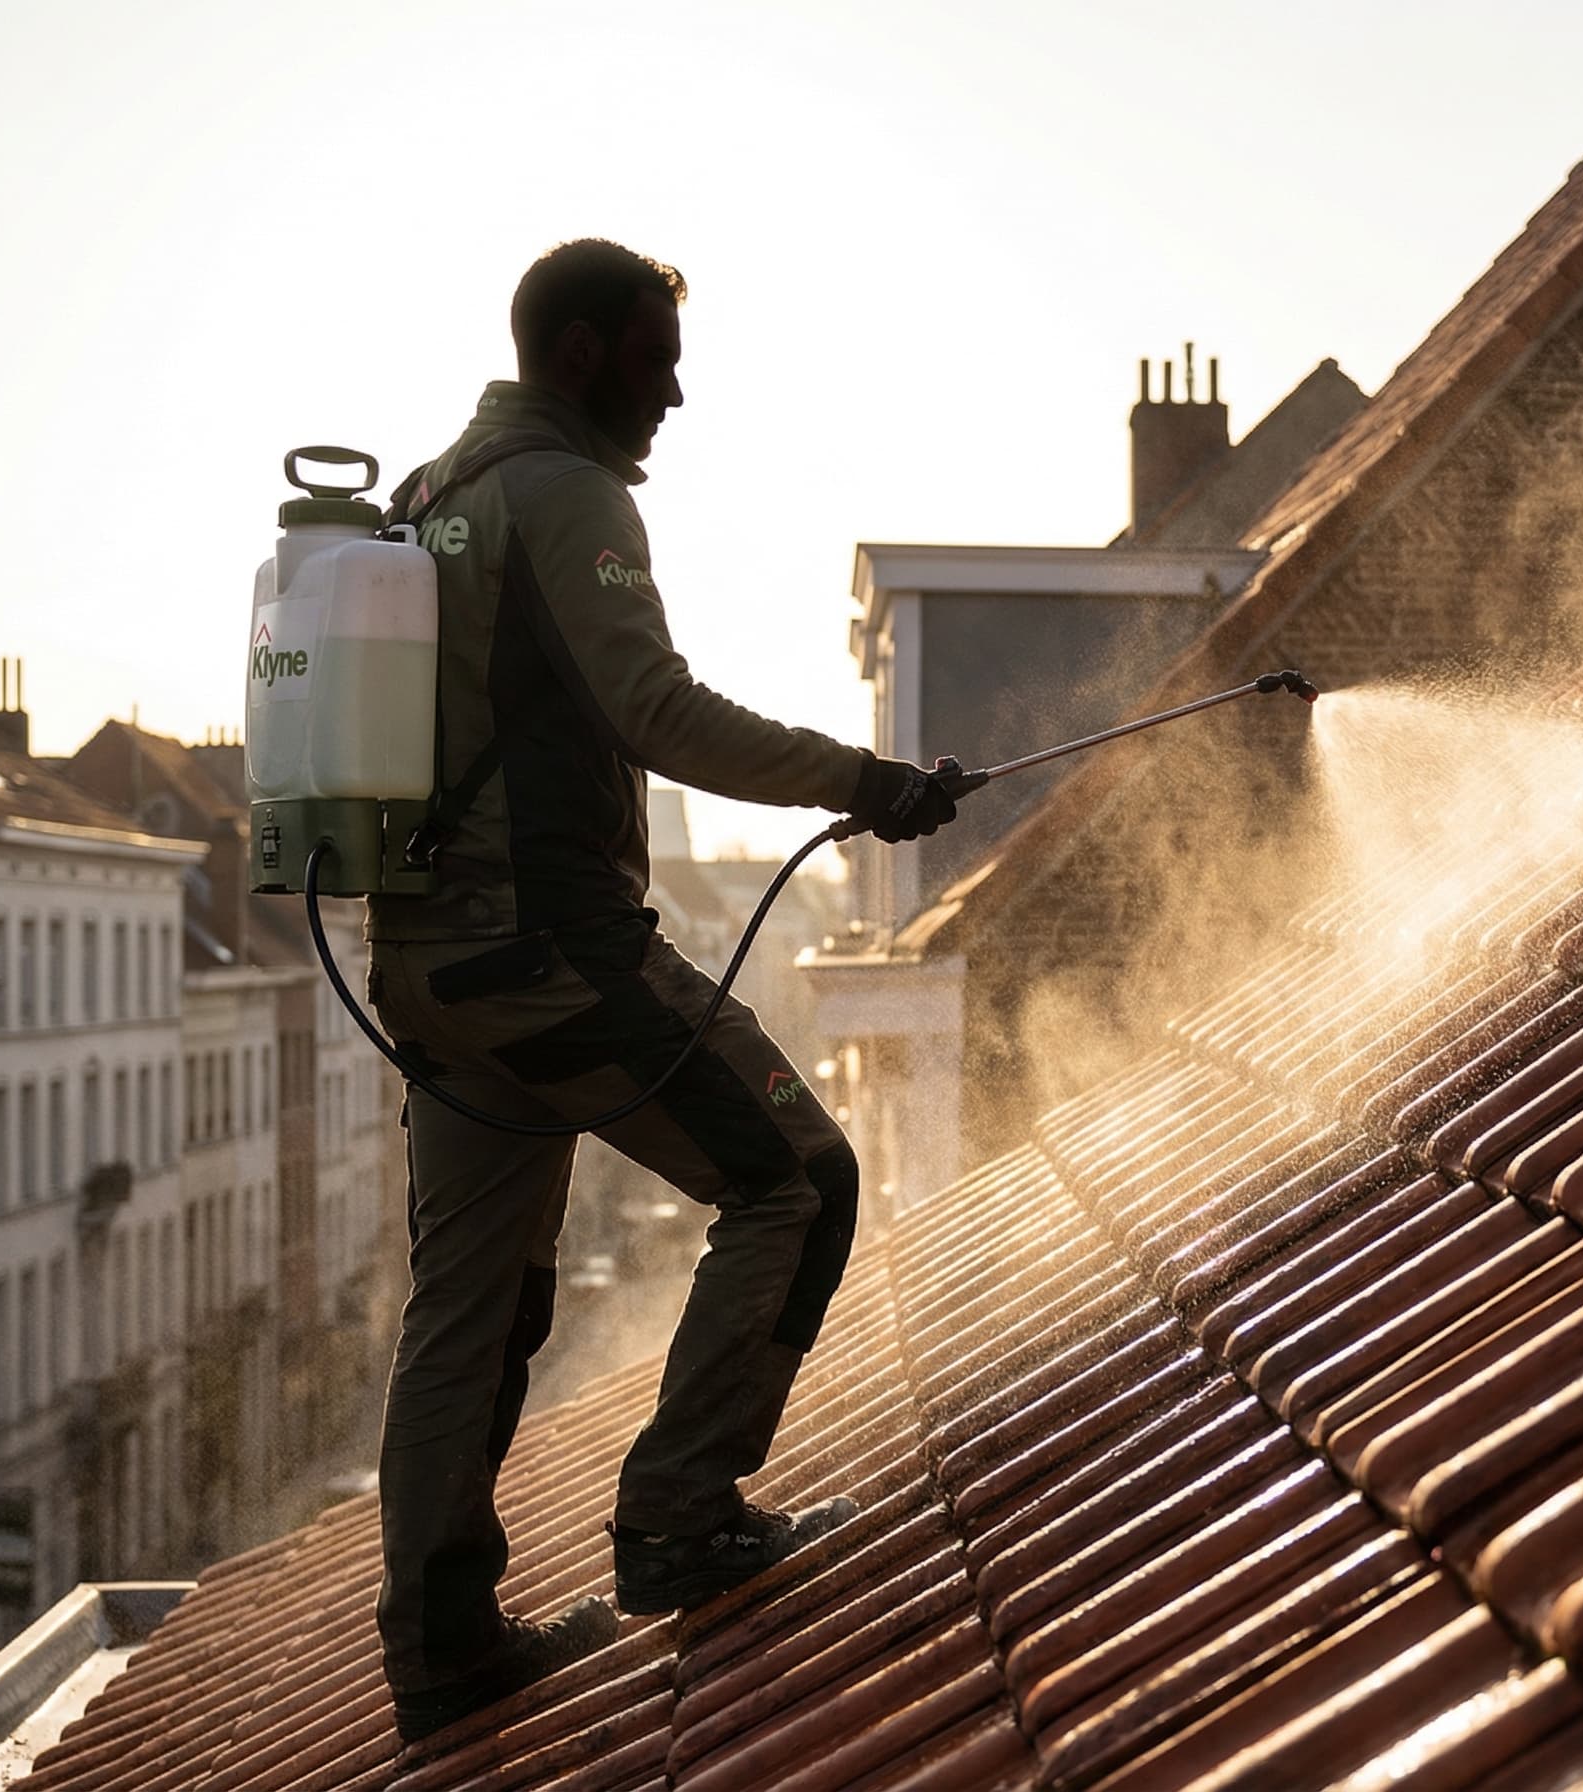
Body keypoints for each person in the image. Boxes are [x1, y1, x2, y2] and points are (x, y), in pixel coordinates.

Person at [364, 237, 957, 1746]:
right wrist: (864, 783)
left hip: (432, 971)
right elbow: (654, 706)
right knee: (801, 1181)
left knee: (467, 1308)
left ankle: (438, 1647)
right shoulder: (568, 495)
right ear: (576, 356)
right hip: (557, 954)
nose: (676, 392)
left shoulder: (429, 498)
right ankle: (680, 1518)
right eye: (652, 356)